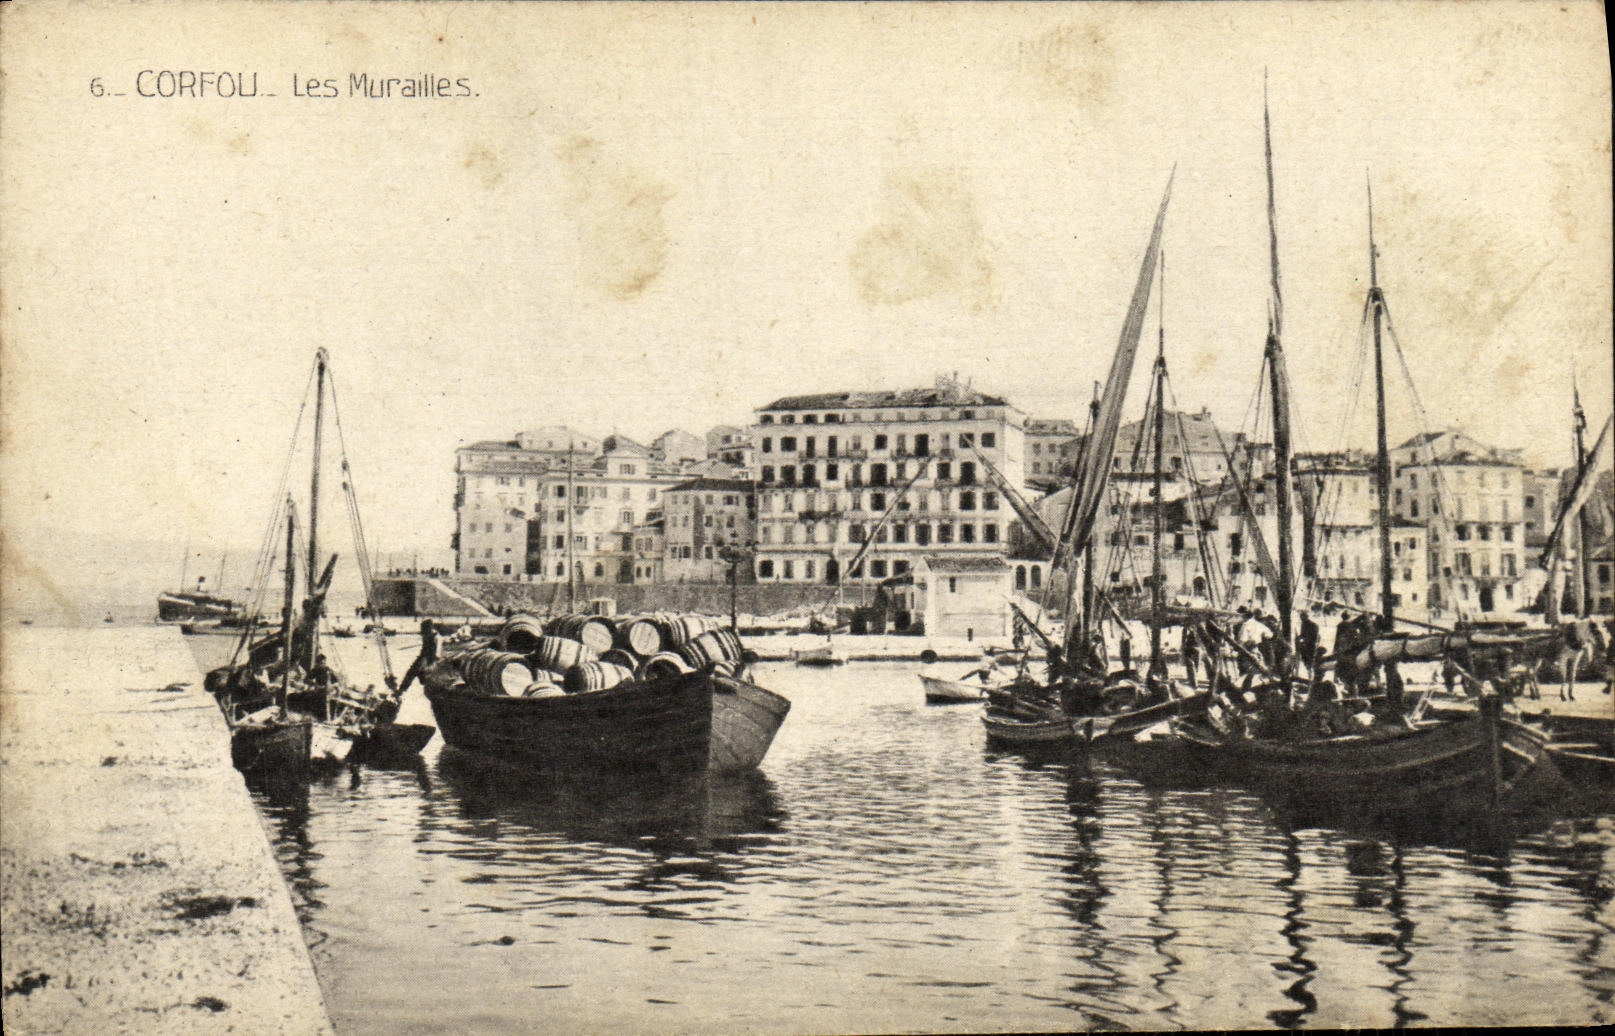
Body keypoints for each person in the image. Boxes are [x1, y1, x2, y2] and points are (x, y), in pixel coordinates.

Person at [397, 618, 439, 694]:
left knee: (414, 672)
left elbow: (436, 653)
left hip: (428, 658)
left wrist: (430, 662)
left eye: (424, 632)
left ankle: (402, 690)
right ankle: (402, 689)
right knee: (414, 673)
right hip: (424, 657)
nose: (423, 635)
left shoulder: (435, 637)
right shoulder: (430, 636)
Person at [1296, 610, 1320, 679]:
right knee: (1305, 658)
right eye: (1301, 618)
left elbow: (1314, 637)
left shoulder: (1313, 625)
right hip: (1306, 644)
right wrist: (1298, 637)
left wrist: (1305, 641)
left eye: (1303, 617)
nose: (1302, 619)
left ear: (1306, 617)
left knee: (1310, 661)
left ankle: (1311, 675)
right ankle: (1307, 671)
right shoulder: (1303, 624)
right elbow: (1303, 635)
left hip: (1311, 645)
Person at [1181, 625, 1201, 690]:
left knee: (1191, 668)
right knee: (1192, 668)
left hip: (1191, 651)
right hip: (1191, 651)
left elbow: (1186, 642)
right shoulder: (1191, 634)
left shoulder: (1191, 635)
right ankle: (1193, 683)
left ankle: (1194, 684)